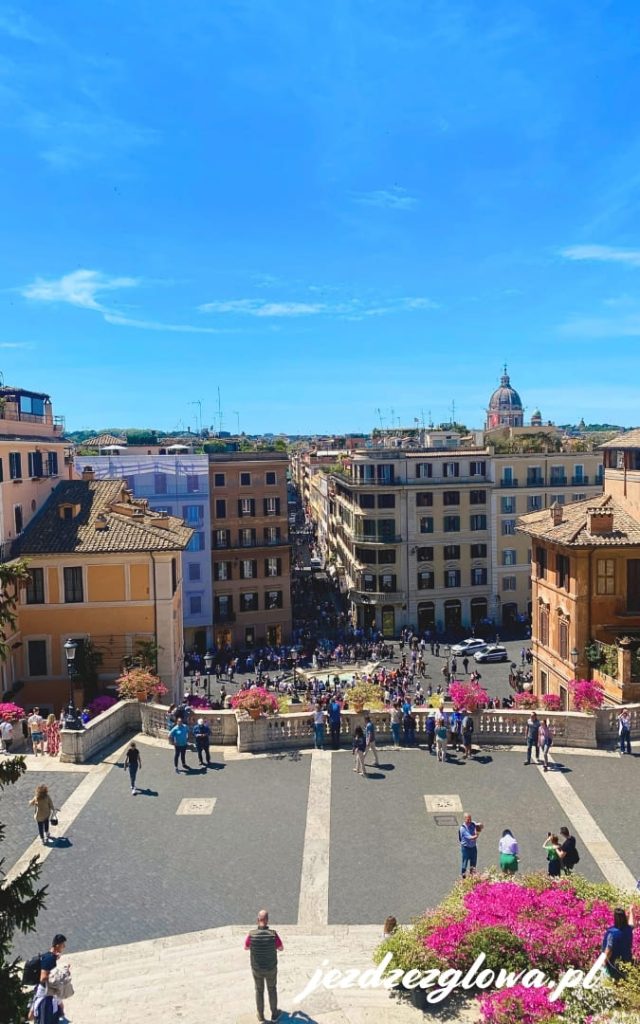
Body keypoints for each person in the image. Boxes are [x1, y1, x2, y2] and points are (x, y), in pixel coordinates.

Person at [244, 908, 283, 1023]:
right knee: (272, 989)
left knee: (259, 990)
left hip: (257, 968)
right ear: (267, 920)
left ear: (258, 920)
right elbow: (281, 948)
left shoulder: (251, 934)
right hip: (271, 967)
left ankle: (260, 1016)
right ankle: (274, 1014)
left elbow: (246, 947)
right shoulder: (273, 934)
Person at [30, 933, 70, 1024]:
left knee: (60, 1006)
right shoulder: (50, 959)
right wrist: (60, 974)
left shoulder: (50, 955)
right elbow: (43, 978)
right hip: (46, 992)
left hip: (48, 990)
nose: (64, 946)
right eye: (63, 945)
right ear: (57, 945)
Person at [602, 906, 635, 979]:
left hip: (615, 962)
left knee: (615, 978)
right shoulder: (628, 929)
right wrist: (631, 911)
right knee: (625, 976)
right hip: (627, 958)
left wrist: (604, 961)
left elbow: (609, 949)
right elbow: (632, 924)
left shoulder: (612, 933)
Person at [459, 813, 482, 878]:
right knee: (464, 864)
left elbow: (480, 826)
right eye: (468, 819)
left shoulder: (473, 823)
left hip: (473, 848)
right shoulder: (462, 829)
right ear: (465, 819)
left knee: (473, 864)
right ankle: (463, 878)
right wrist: (477, 834)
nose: (469, 821)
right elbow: (472, 837)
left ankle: (472, 877)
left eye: (470, 819)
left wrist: (479, 826)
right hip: (466, 848)